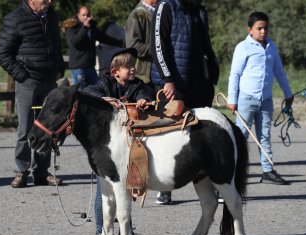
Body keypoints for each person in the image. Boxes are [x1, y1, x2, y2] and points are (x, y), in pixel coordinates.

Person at [83, 48, 155, 235]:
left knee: (123, 189)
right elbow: (87, 91)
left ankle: (127, 234)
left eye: (134, 66)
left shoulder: (137, 84)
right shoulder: (105, 83)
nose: (133, 69)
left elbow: (146, 95)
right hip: (106, 143)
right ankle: (102, 233)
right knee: (103, 192)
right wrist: (104, 99)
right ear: (115, 72)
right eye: (128, 67)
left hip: (127, 142)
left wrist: (144, 100)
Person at [150, 0, 219, 204]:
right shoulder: (166, 6)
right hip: (174, 84)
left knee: (203, 135)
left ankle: (211, 184)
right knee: (169, 135)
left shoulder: (199, 9)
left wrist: (212, 73)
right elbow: (158, 45)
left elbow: (205, 43)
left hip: (200, 83)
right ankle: (165, 187)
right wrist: (167, 79)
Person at [0, 0, 65, 188]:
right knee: (25, 128)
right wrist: (22, 76)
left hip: (49, 80)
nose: (50, 2)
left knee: (46, 127)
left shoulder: (51, 16)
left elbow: (56, 44)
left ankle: (42, 172)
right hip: (28, 81)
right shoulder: (15, 18)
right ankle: (21, 172)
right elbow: (2, 52)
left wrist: (60, 69)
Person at [227, 11, 294, 185]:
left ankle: (267, 170)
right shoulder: (243, 47)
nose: (263, 32)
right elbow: (235, 74)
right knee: (240, 136)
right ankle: (231, 171)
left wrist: (288, 93)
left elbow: (279, 72)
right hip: (246, 99)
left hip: (266, 100)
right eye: (259, 28)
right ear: (250, 29)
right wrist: (232, 98)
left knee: (264, 135)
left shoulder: (272, 47)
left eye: (266, 28)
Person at [66, 6, 123, 88]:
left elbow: (104, 38)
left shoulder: (92, 27)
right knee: (80, 94)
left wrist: (120, 43)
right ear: (78, 15)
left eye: (88, 15)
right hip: (78, 68)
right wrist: (84, 28)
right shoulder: (72, 27)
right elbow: (75, 42)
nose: (86, 17)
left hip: (90, 67)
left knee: (96, 92)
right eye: (84, 15)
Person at [125, 0, 159, 95]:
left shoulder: (159, 11)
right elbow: (132, 46)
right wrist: (158, 49)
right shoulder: (137, 14)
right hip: (145, 77)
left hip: (159, 75)